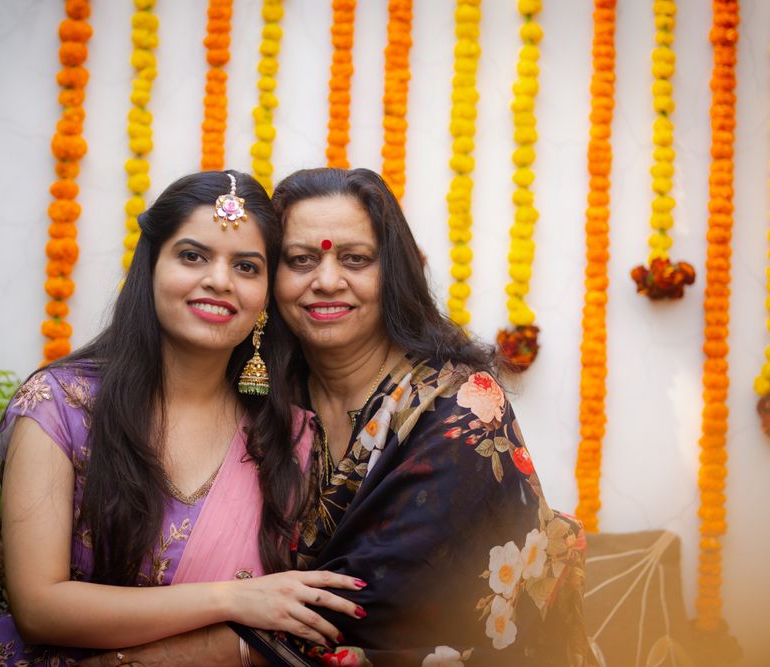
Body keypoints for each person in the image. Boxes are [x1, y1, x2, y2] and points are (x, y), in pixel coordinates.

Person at [82, 168, 596, 667]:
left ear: (392, 273)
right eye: (301, 260)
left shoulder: (456, 411)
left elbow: (362, 613)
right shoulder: (261, 401)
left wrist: (126, 661)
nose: (328, 281)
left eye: (356, 259)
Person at [0, 171, 365, 667]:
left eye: (246, 266)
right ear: (150, 266)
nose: (219, 280)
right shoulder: (61, 405)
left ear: (264, 298)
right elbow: (39, 608)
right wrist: (232, 598)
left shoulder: (291, 437)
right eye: (193, 256)